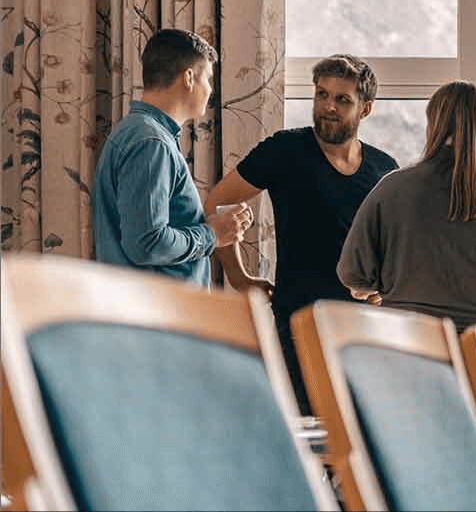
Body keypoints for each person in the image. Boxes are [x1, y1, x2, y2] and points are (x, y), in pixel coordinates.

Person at [204, 54, 398, 411]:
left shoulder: (384, 169)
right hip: (298, 328)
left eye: (342, 99)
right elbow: (218, 203)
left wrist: (385, 289)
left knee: (357, 449)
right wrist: (239, 276)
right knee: (304, 445)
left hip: (362, 334)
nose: (328, 106)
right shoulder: (285, 150)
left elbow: (393, 248)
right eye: (322, 94)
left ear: (365, 109)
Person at [337, 81, 476, 330]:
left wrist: (385, 283)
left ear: (434, 124)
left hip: (411, 341)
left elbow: (352, 273)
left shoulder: (392, 188)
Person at [93, 28, 249, 284]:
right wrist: (212, 235)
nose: (210, 90)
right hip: (155, 312)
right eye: (208, 79)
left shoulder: (139, 133)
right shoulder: (151, 143)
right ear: (189, 77)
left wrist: (214, 227)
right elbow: (146, 244)